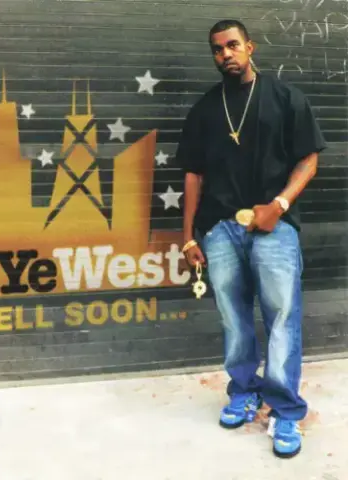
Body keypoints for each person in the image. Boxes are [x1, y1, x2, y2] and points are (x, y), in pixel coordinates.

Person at [175, 19, 327, 459]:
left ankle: (285, 408)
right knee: (233, 317)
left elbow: (309, 159)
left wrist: (278, 205)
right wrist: (188, 239)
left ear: (250, 47)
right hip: (221, 229)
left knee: (282, 316)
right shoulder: (205, 109)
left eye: (233, 45)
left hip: (274, 226)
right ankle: (243, 390)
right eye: (218, 49)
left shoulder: (285, 98)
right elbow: (192, 175)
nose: (226, 54)